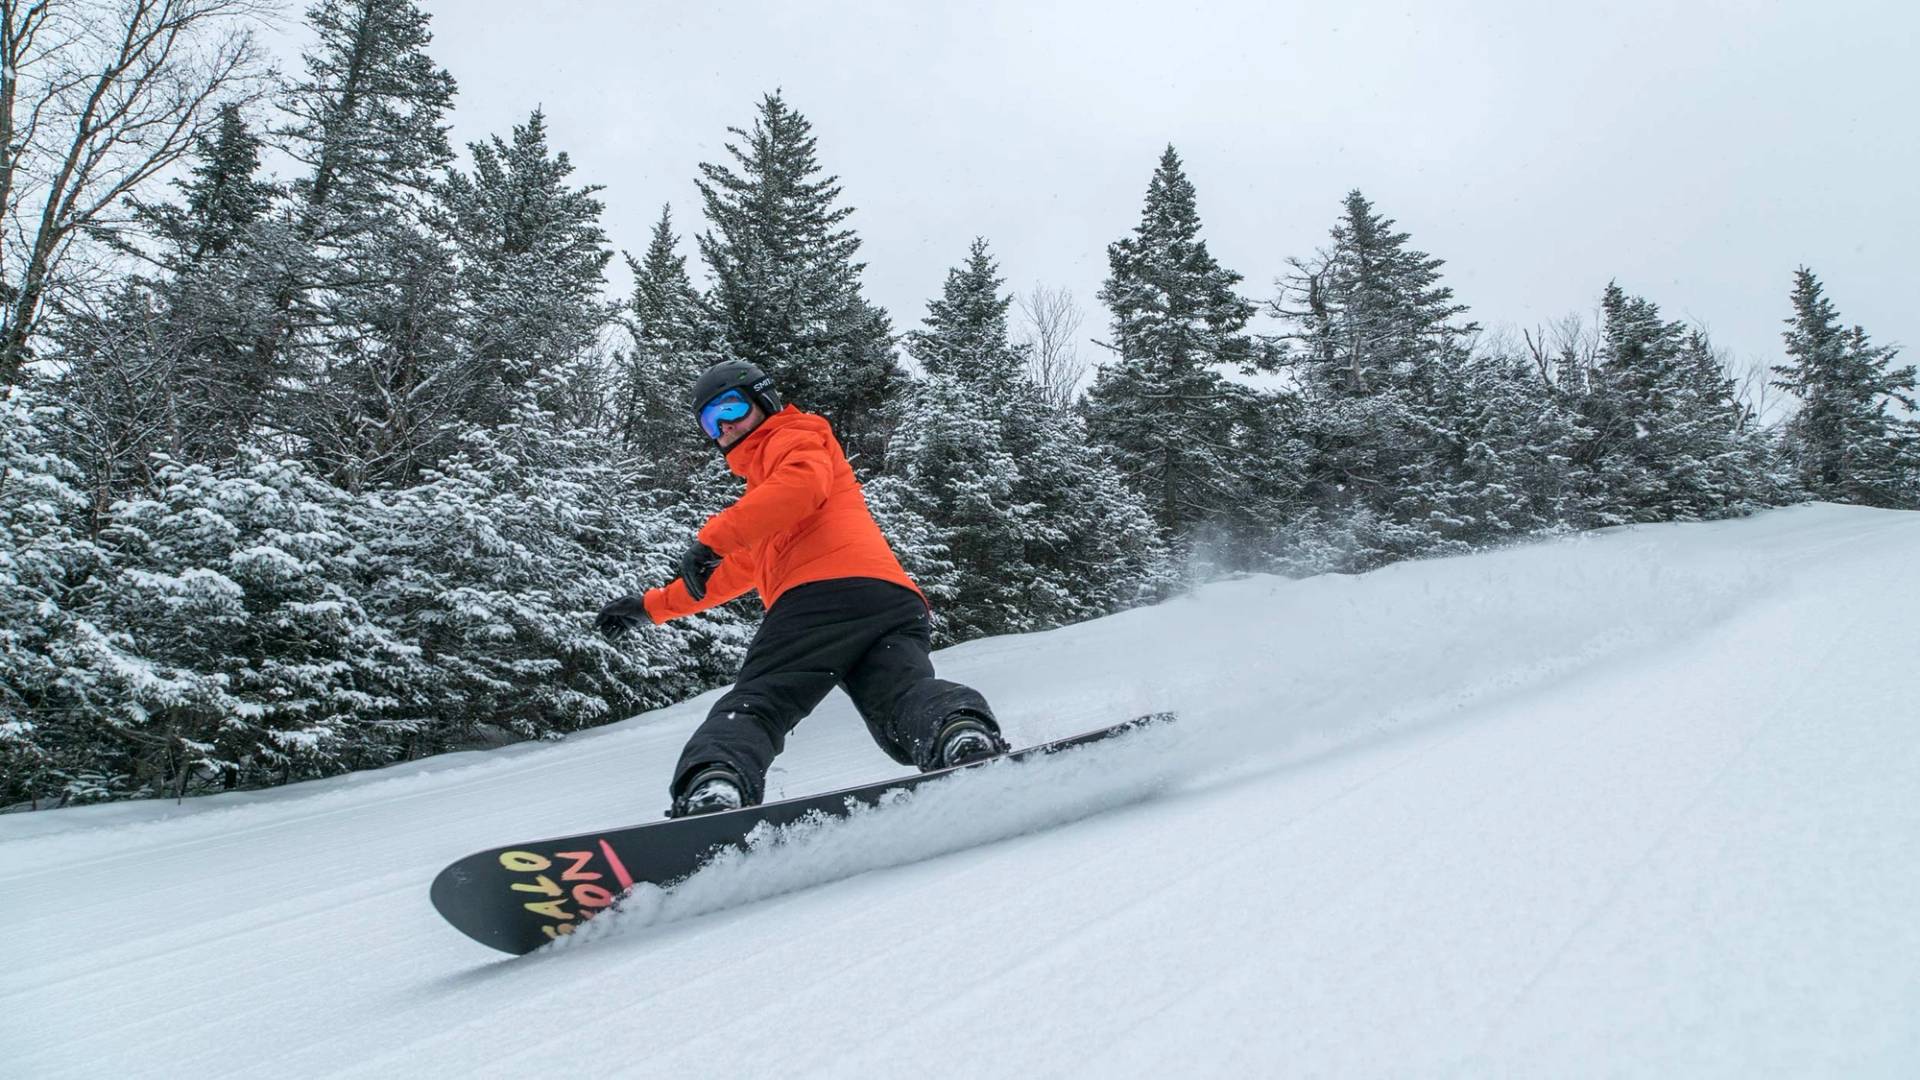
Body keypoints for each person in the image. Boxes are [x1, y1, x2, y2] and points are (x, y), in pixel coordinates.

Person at [595, 359, 1008, 817]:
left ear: (765, 402)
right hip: (889, 601)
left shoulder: (793, 435)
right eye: (711, 422)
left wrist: (712, 538)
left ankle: (716, 785)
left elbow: (800, 486)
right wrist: (649, 607)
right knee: (902, 695)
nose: (726, 427)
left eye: (732, 408)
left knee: (759, 702)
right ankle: (958, 734)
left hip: (822, 597)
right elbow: (727, 576)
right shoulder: (767, 507)